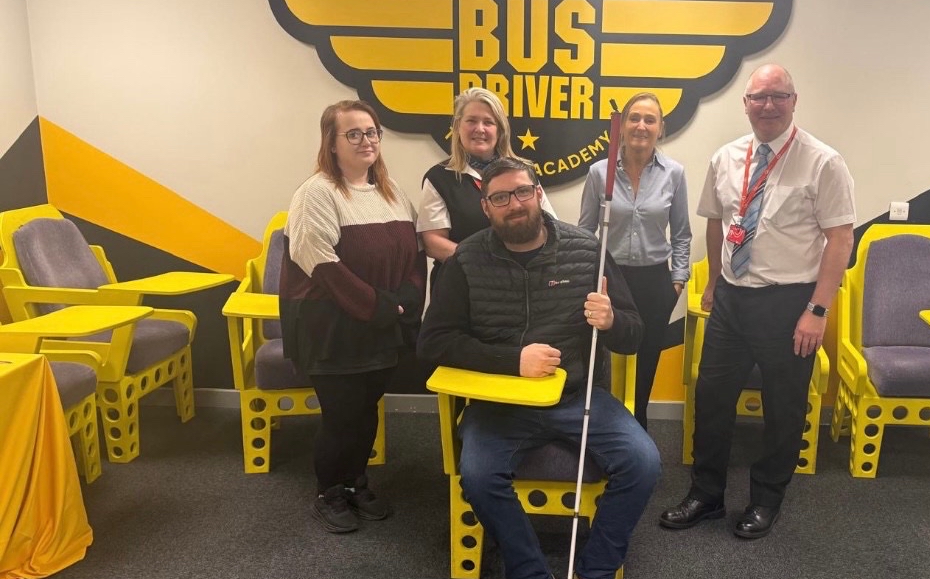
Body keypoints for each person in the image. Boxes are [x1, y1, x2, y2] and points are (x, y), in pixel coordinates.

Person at [418, 157, 661, 579]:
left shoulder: (587, 250)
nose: (515, 204)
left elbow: (635, 335)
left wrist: (613, 320)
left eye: (522, 192)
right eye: (501, 197)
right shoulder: (466, 260)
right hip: (500, 403)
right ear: (485, 206)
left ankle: (591, 578)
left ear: (538, 192)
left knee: (644, 461)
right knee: (480, 476)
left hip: (577, 396)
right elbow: (433, 343)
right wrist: (512, 360)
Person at [660, 65, 855, 540]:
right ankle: (706, 495)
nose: (768, 106)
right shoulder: (726, 157)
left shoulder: (823, 161)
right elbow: (715, 220)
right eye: (759, 98)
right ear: (744, 104)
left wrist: (818, 309)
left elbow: (841, 238)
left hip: (790, 303)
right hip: (730, 299)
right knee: (711, 399)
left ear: (794, 100)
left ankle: (767, 499)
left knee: (784, 407)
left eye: (778, 96)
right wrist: (712, 284)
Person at [279, 100, 426, 534]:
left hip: (380, 327)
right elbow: (321, 264)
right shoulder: (317, 193)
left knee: (366, 412)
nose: (367, 141)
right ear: (332, 142)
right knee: (341, 416)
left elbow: (415, 258)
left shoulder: (392, 190)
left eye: (372, 132)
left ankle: (356, 481)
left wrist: (405, 299)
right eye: (354, 133)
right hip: (332, 328)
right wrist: (383, 307)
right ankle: (329, 491)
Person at [578, 92, 691, 430]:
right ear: (622, 126)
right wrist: (585, 277)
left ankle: (637, 423)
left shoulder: (674, 174)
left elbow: (682, 232)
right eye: (634, 118)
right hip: (610, 278)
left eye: (650, 119)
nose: (641, 125)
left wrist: (678, 279)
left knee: (646, 357)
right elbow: (585, 230)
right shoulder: (600, 173)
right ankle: (602, 425)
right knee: (603, 357)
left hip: (656, 281)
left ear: (660, 129)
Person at [417, 87, 555, 291]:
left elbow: (551, 224)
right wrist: (485, 265)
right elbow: (433, 242)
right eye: (471, 121)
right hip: (461, 285)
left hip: (519, 282)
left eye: (488, 122)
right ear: (457, 127)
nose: (479, 129)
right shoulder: (439, 177)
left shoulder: (522, 173)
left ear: (500, 130)